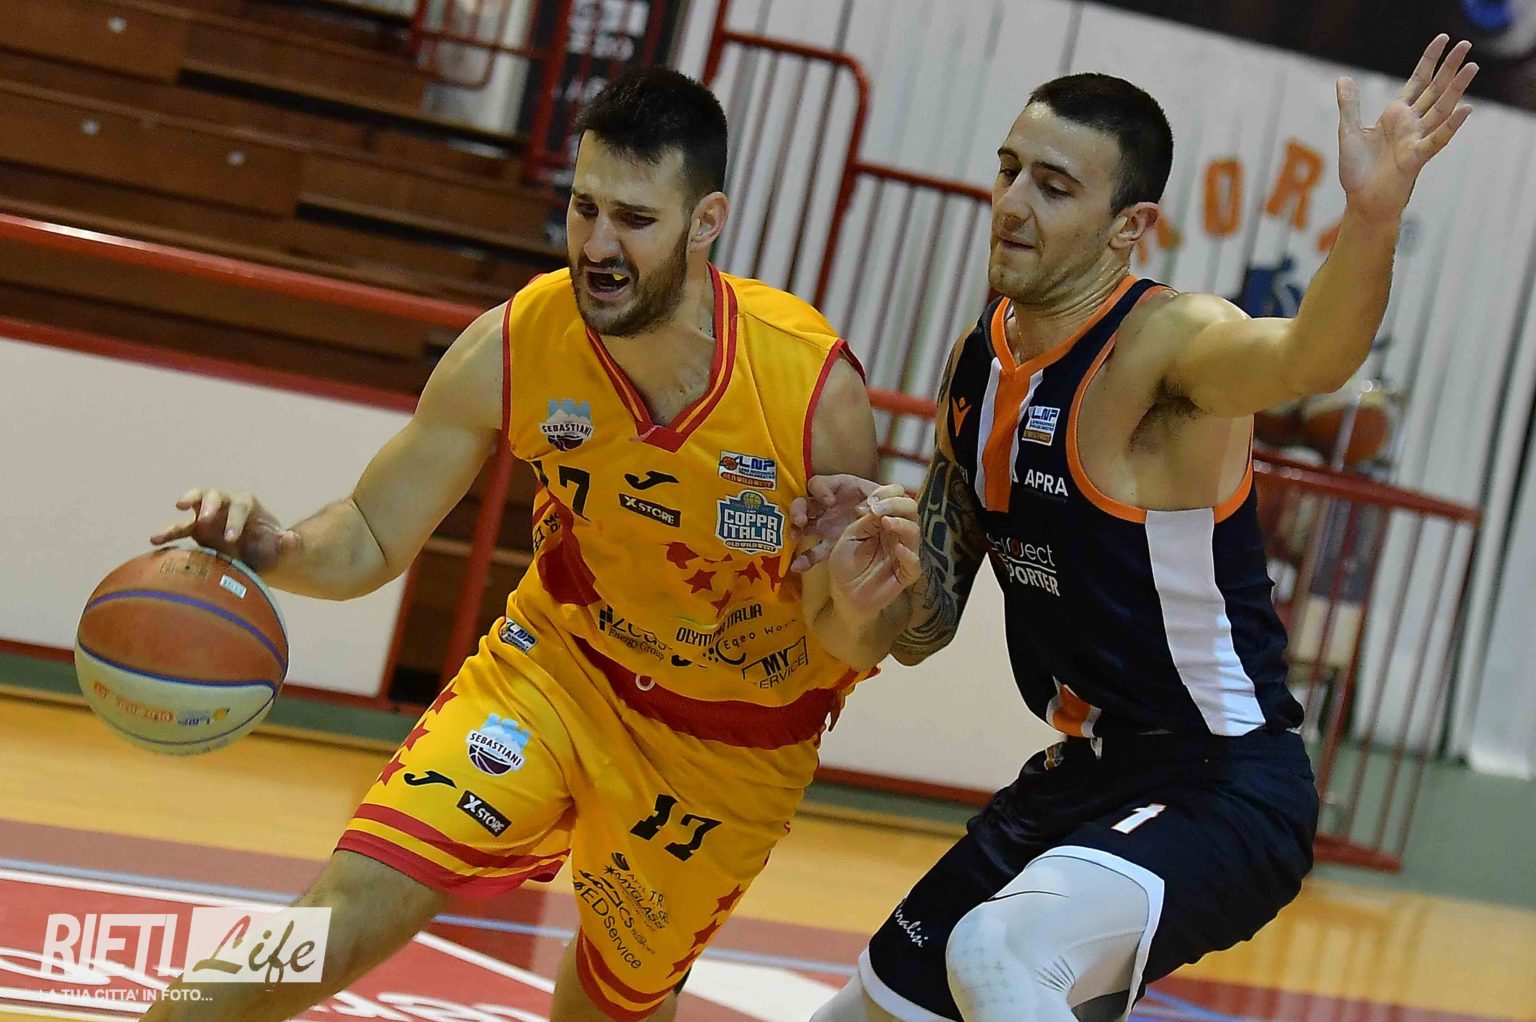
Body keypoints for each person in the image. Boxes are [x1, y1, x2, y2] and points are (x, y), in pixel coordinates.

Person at [142, 67, 912, 1022]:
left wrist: (865, 603)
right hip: (555, 672)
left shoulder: (810, 390)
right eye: (584, 208)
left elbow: (848, 639)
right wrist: (272, 546)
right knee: (343, 914)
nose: (598, 245)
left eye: (634, 218)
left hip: (731, 743)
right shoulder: (518, 341)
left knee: (610, 1007)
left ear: (705, 222)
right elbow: (374, 532)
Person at [797, 35, 1478, 1022]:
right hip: (1085, 774)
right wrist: (866, 575)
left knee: (999, 952)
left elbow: (1308, 357)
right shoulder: (977, 366)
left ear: (1130, 227)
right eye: (1008, 170)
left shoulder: (1165, 347)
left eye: (1054, 186)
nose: (1013, 202)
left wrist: (1373, 218)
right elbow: (922, 629)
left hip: (1222, 784)